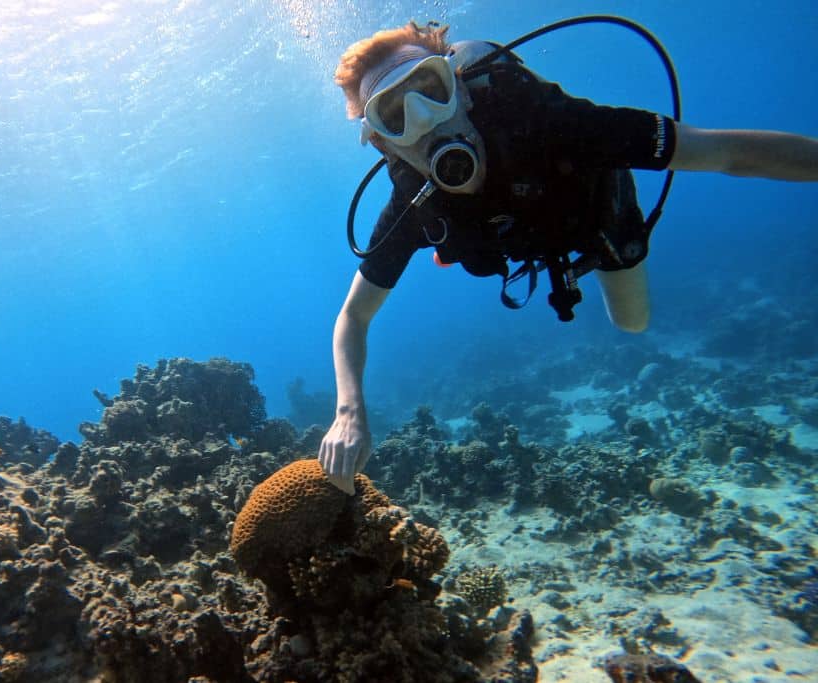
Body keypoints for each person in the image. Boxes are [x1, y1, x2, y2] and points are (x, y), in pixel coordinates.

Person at [318, 20, 818, 495]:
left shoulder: (551, 123)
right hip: (505, 235)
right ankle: (461, 242)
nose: (425, 119)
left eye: (431, 88)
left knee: (633, 321)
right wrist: (349, 412)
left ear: (462, 88)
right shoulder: (410, 204)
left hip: (591, 213)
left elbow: (725, 152)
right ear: (383, 145)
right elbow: (353, 317)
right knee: (461, 245)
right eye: (395, 114)